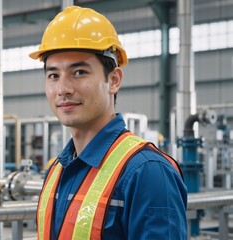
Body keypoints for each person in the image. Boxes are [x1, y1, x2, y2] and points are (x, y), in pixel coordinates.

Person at [29, 6, 187, 240]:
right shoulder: (56, 171)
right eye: (54, 75)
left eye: (79, 72)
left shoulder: (148, 173)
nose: (63, 89)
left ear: (113, 80)